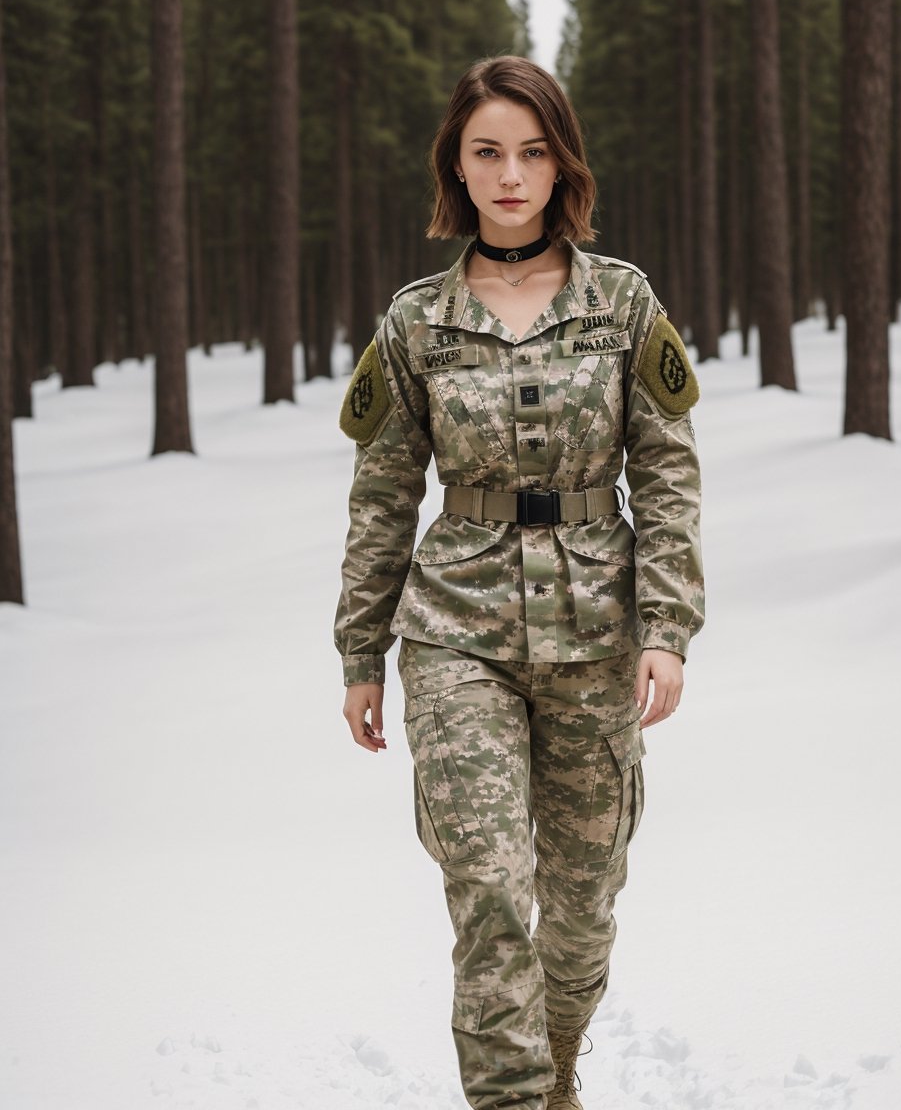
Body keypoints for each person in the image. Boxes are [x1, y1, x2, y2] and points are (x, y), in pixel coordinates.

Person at [334, 55, 705, 1110]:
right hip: (456, 634)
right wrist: (361, 650)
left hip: (597, 631)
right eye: (487, 151)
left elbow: (668, 473)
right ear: (457, 162)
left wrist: (667, 625)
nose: (510, 174)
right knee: (491, 891)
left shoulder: (622, 302)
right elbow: (381, 493)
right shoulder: (415, 322)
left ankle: (553, 1073)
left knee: (581, 904)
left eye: (532, 152)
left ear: (560, 165)